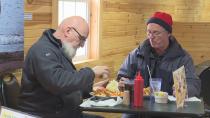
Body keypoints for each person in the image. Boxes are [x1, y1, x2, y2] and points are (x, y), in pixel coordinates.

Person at [18, 16, 110, 118]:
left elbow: (68, 82)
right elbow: (58, 82)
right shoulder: (42, 50)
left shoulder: (60, 49)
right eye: (82, 39)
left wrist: (91, 89)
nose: (82, 45)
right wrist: (91, 73)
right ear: (67, 31)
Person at [117, 11, 201, 118]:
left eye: (156, 33)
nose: (151, 37)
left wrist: (185, 89)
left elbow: (193, 82)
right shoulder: (137, 54)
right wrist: (123, 84)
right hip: (137, 110)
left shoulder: (182, 58)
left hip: (169, 111)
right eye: (149, 32)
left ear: (169, 33)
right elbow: (123, 76)